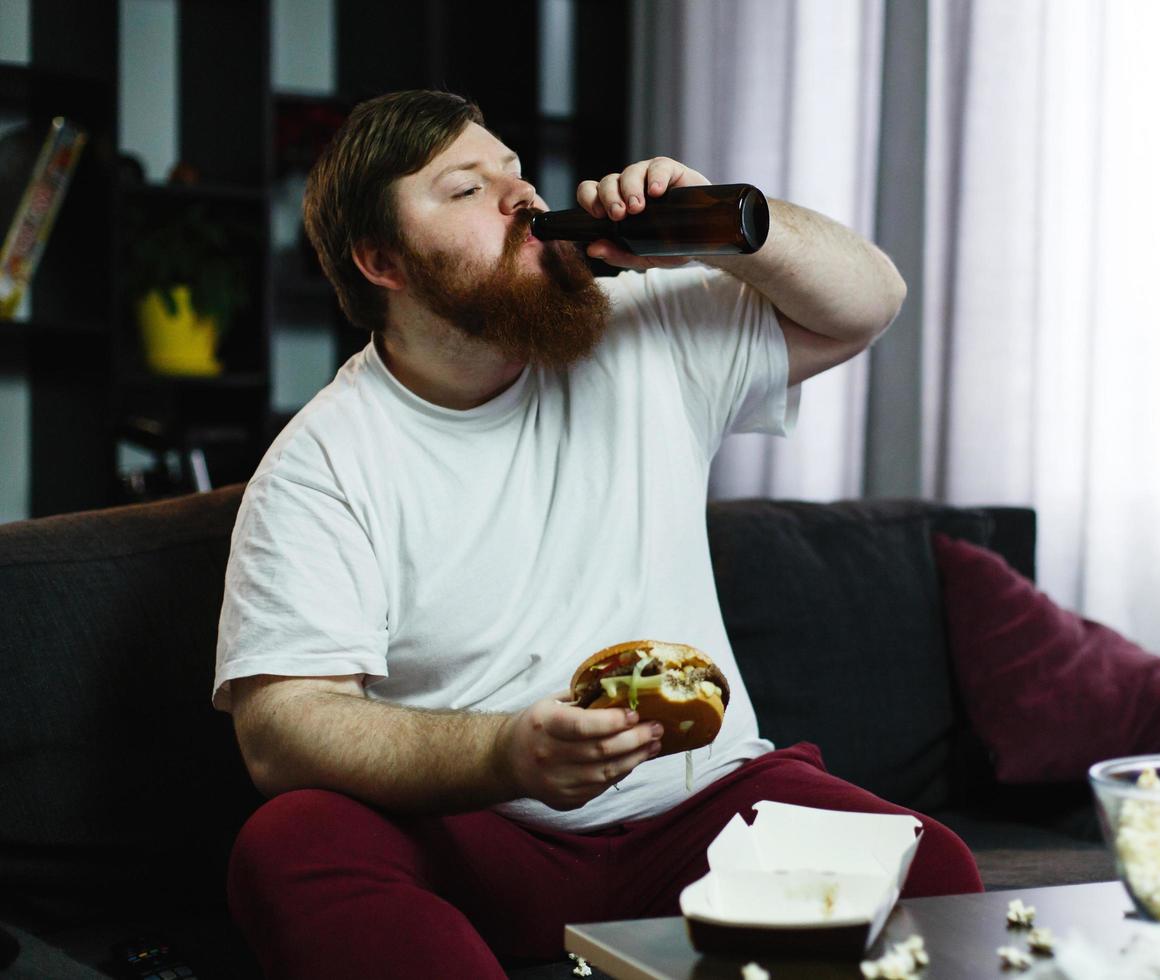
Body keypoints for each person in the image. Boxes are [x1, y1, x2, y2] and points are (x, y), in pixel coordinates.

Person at [215, 89, 980, 979]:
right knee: (290, 843)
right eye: (466, 191)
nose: (523, 200)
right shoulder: (323, 462)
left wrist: (729, 227)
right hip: (487, 831)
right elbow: (283, 726)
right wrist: (503, 752)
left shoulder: (644, 331)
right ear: (383, 261)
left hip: (702, 814)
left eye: (516, 174)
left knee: (929, 864)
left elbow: (869, 300)